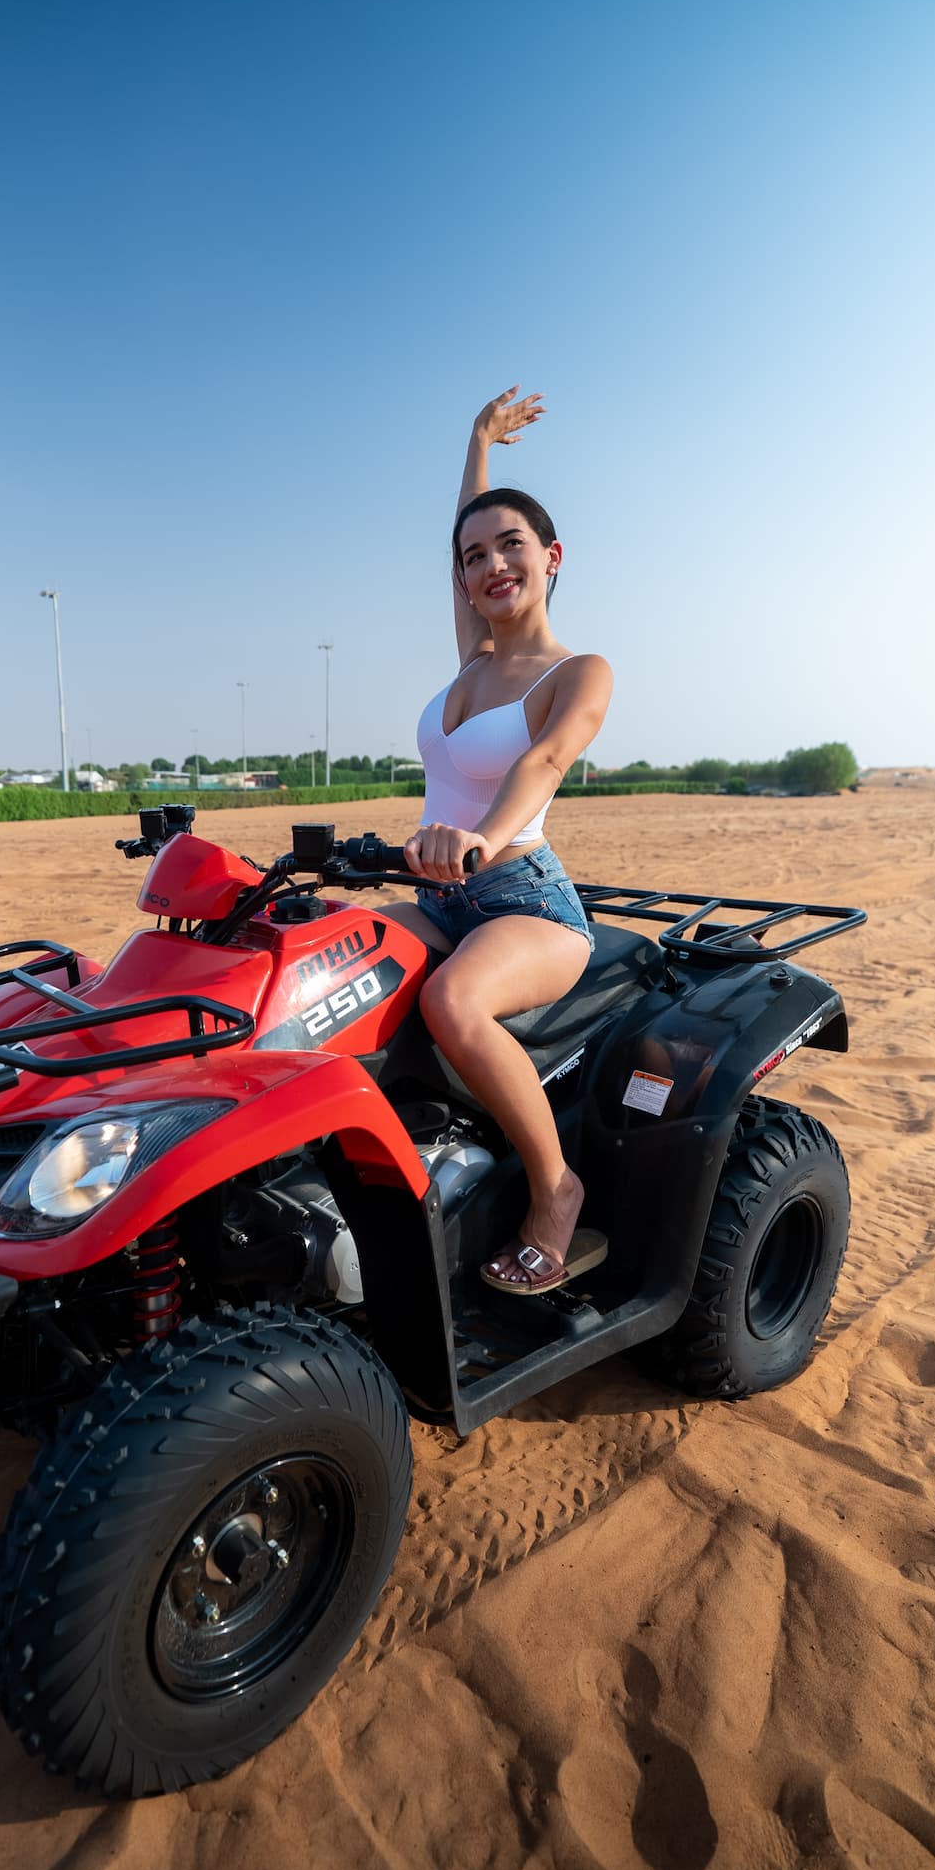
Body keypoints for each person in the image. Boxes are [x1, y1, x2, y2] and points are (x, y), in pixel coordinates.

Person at [396, 387, 613, 1295]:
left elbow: (547, 762)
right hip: (444, 890)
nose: (491, 565)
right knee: (315, 969)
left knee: (453, 1003)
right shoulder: (473, 661)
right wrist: (476, 442)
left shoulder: (578, 671)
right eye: (474, 557)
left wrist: (480, 839)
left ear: (551, 557)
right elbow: (459, 532)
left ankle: (554, 1188)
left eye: (511, 546)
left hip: (526, 899)